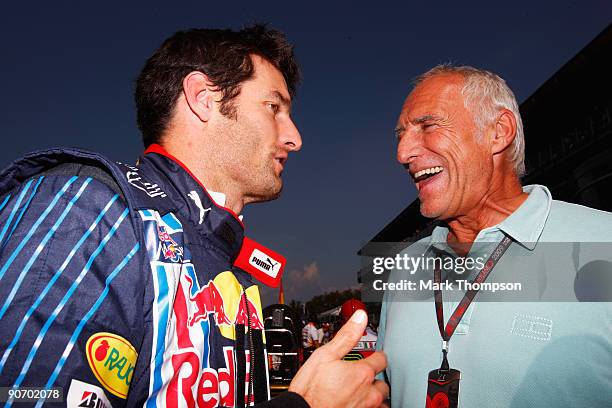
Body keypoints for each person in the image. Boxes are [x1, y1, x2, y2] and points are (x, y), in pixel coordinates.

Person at [0, 25, 388, 407]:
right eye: (274, 108)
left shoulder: (234, 271)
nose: (295, 138)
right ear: (203, 98)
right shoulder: (90, 208)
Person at [377, 65, 612, 407]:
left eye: (427, 126)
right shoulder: (403, 267)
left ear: (498, 132)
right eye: (401, 135)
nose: (402, 154)